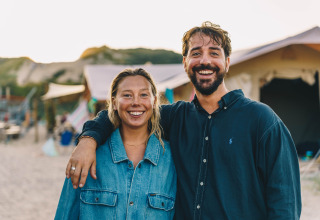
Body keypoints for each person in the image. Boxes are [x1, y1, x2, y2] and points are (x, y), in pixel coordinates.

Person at [66, 22, 301, 219]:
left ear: (227, 62)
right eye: (196, 53)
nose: (204, 61)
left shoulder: (261, 121)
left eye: (214, 53)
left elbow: (285, 202)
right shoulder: (176, 117)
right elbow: (129, 110)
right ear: (185, 63)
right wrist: (88, 140)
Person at [56, 68, 177, 219]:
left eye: (144, 95)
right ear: (114, 103)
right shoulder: (88, 156)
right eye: (127, 95)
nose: (136, 102)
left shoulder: (172, 161)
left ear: (154, 102)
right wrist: (87, 141)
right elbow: (65, 215)